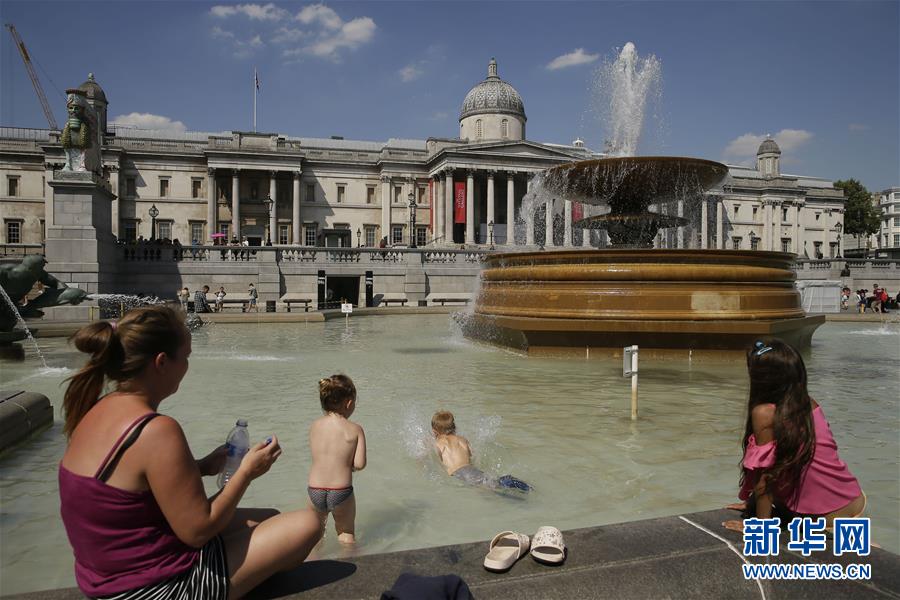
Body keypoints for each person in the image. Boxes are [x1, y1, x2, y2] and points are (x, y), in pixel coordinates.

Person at [58, 305, 321, 599]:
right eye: (185, 357)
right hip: (151, 589)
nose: (187, 366)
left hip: (108, 576)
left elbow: (126, 486)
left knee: (271, 518)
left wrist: (203, 466)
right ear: (161, 362)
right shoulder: (156, 430)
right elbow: (198, 531)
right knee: (308, 524)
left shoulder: (95, 408)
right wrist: (246, 473)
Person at [723, 339, 865, 533]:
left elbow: (766, 476)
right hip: (852, 502)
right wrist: (752, 501)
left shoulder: (765, 413)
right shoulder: (808, 403)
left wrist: (759, 526)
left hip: (821, 518)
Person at [307, 374, 366, 544]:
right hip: (341, 491)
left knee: (313, 535)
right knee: (346, 533)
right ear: (348, 403)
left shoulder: (315, 426)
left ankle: (312, 566)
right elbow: (359, 464)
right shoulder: (355, 429)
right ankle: (352, 566)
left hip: (315, 489)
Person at [431, 411, 531, 492]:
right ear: (454, 427)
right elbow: (472, 455)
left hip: (459, 473)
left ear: (434, 432)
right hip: (472, 470)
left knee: (490, 490)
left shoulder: (438, 443)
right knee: (493, 482)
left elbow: (438, 462)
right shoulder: (462, 439)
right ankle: (523, 486)